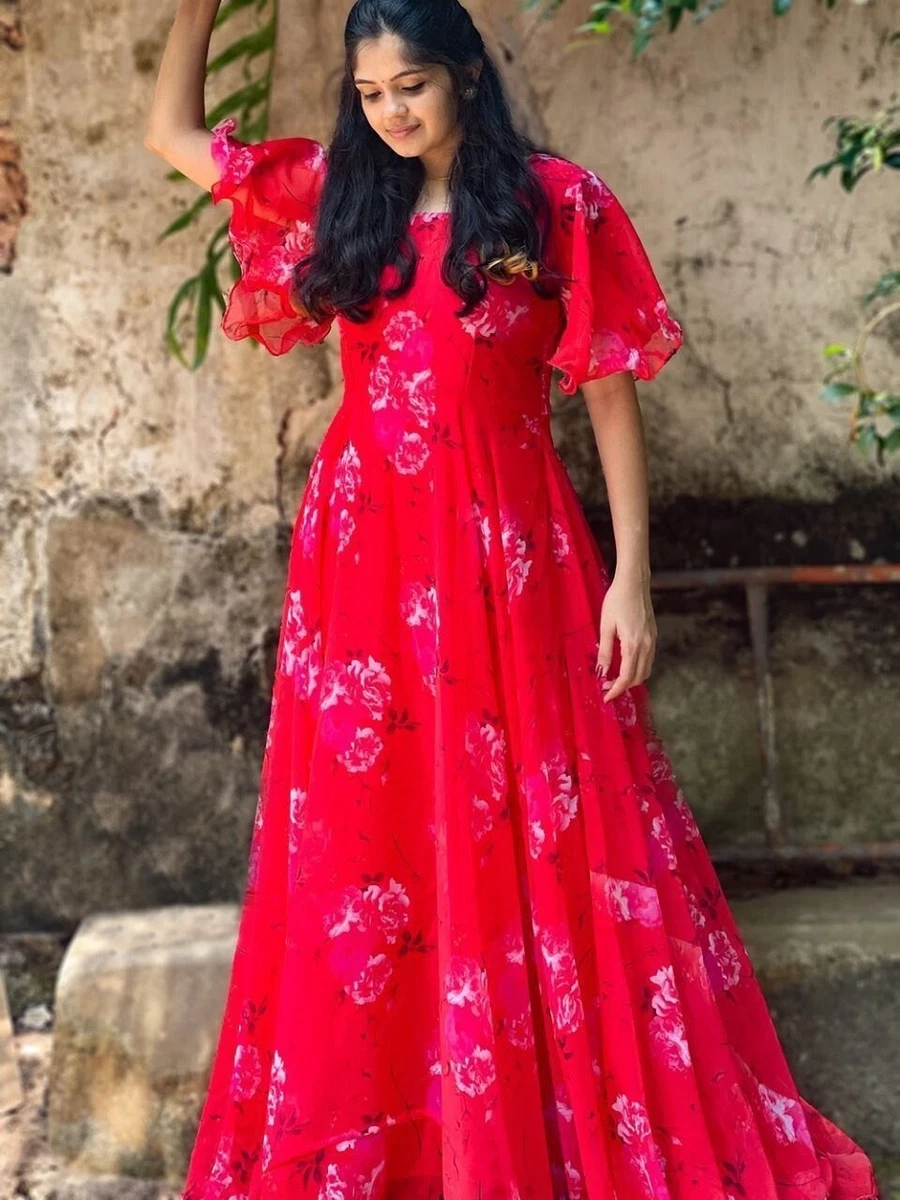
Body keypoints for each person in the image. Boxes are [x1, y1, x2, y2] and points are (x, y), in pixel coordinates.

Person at [144, 1, 881, 1197]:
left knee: (540, 827)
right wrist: (192, 12)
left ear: (469, 76)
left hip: (511, 553)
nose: (391, 113)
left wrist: (632, 577)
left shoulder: (555, 202)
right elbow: (173, 132)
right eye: (371, 92)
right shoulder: (344, 192)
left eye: (414, 87)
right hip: (365, 564)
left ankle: (530, 1139)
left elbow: (606, 391)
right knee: (373, 838)